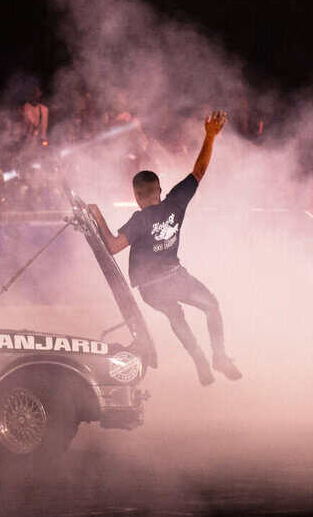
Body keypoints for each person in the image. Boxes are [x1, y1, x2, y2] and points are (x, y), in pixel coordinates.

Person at [85, 110, 239, 386]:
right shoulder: (174, 203)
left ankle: (200, 361)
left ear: (135, 196)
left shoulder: (138, 219)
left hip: (150, 289)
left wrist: (97, 217)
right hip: (174, 278)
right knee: (211, 306)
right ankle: (218, 356)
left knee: (175, 316)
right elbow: (199, 171)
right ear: (159, 188)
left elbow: (111, 246)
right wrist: (210, 136)